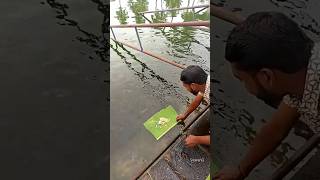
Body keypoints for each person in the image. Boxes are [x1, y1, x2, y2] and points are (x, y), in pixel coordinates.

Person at [215, 11, 320, 180]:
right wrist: (241, 169)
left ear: (266, 77)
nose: (245, 87)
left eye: (242, 80)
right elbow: (276, 128)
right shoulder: (301, 78)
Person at [176, 65, 210, 147]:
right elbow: (198, 98)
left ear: (193, 85)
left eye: (186, 87)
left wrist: (197, 139)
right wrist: (185, 115)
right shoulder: (205, 83)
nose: (186, 90)